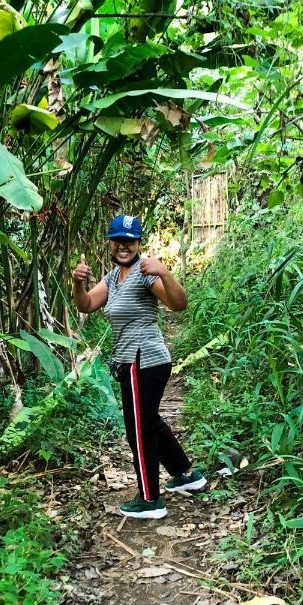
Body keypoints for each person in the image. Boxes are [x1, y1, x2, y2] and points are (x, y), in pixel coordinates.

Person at [72, 214, 206, 519]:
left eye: (130, 241)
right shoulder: (111, 279)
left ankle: (149, 499)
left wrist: (164, 271)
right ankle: (185, 473)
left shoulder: (146, 273)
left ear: (138, 243)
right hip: (134, 362)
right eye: (118, 240)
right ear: (110, 243)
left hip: (143, 360)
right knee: (148, 421)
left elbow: (178, 304)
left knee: (139, 429)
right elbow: (87, 305)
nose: (123, 246)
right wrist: (77, 283)